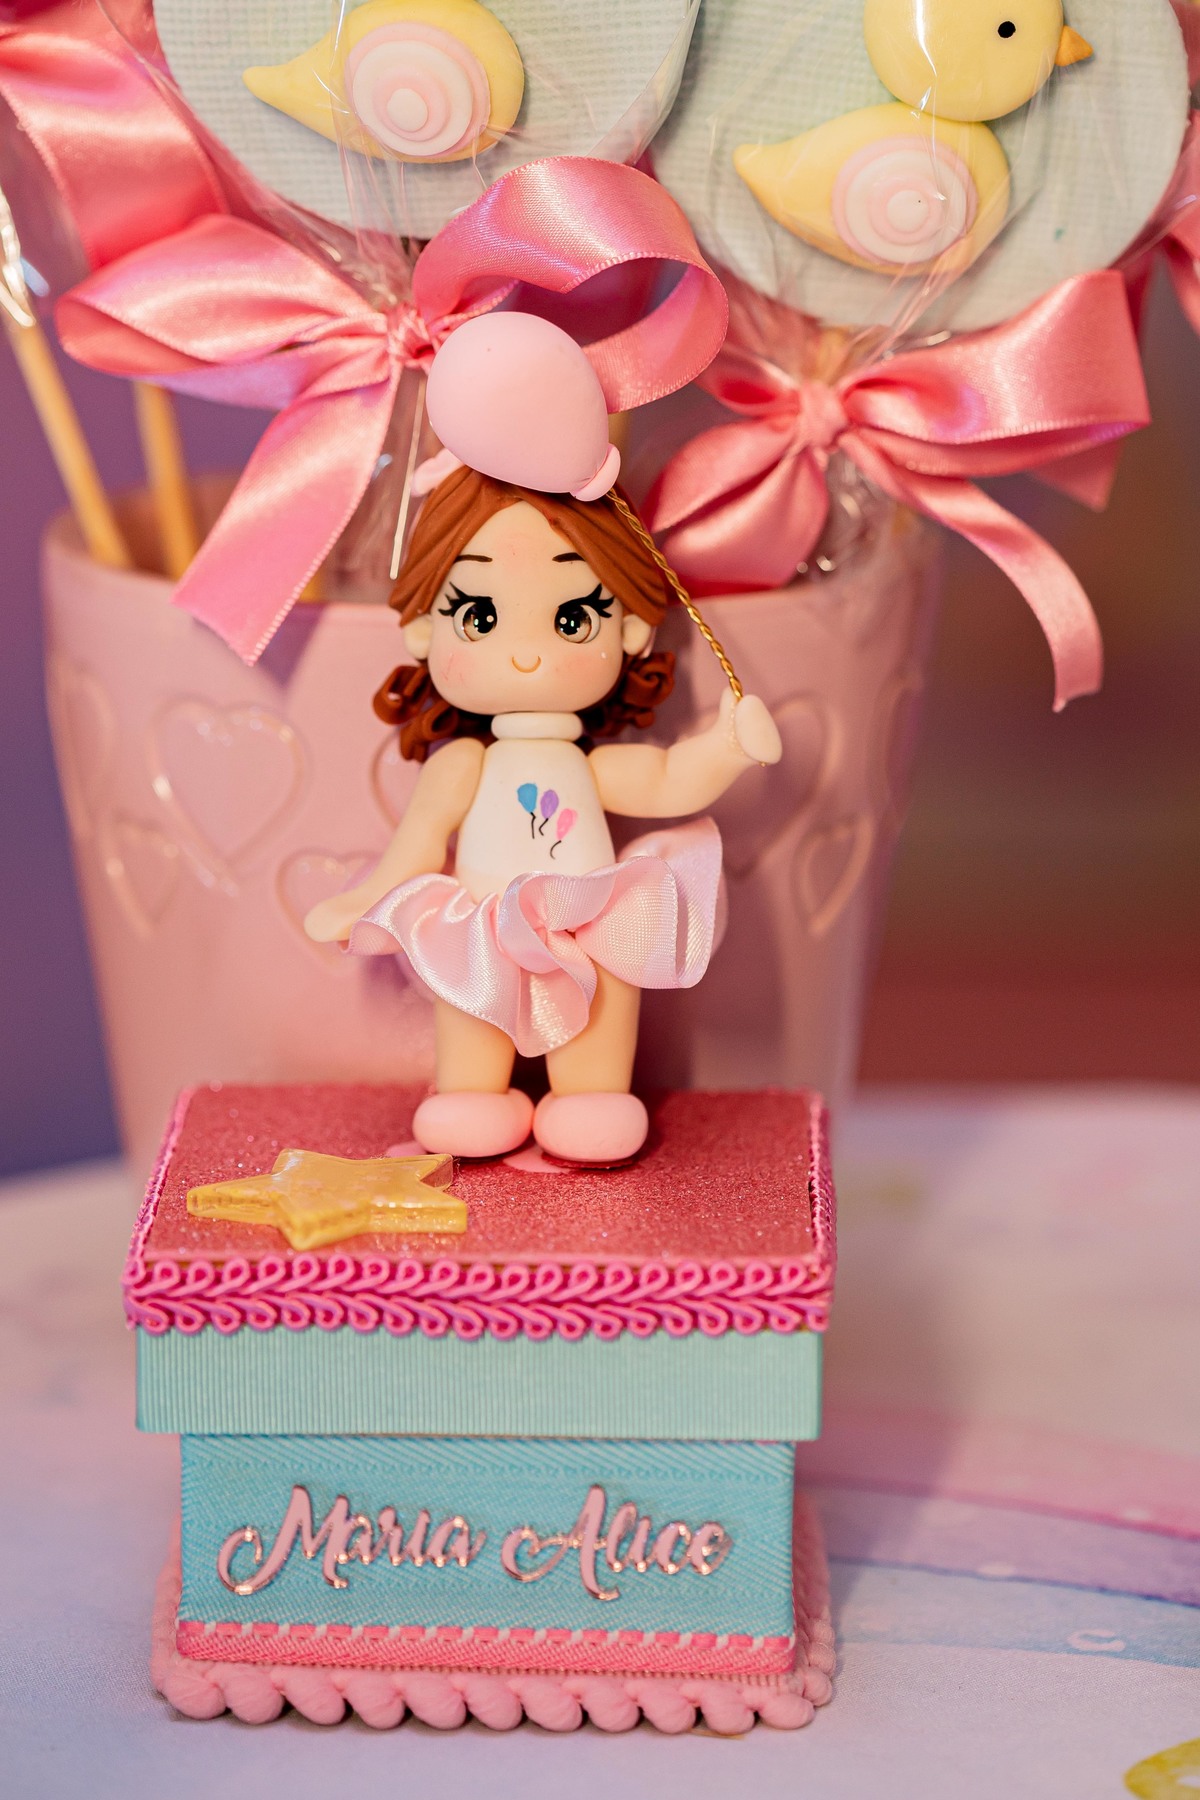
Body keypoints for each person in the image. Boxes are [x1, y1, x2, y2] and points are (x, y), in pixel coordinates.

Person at [306, 315, 781, 1164]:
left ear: (630, 631)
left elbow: (666, 781)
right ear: (422, 631)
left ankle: (591, 1096)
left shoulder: (588, 764)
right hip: (482, 926)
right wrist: (366, 899)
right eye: (479, 616)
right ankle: (472, 1094)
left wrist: (729, 745)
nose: (525, 653)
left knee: (602, 1003)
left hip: (588, 921)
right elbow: (419, 842)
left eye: (572, 619)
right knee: (472, 1002)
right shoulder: (464, 763)